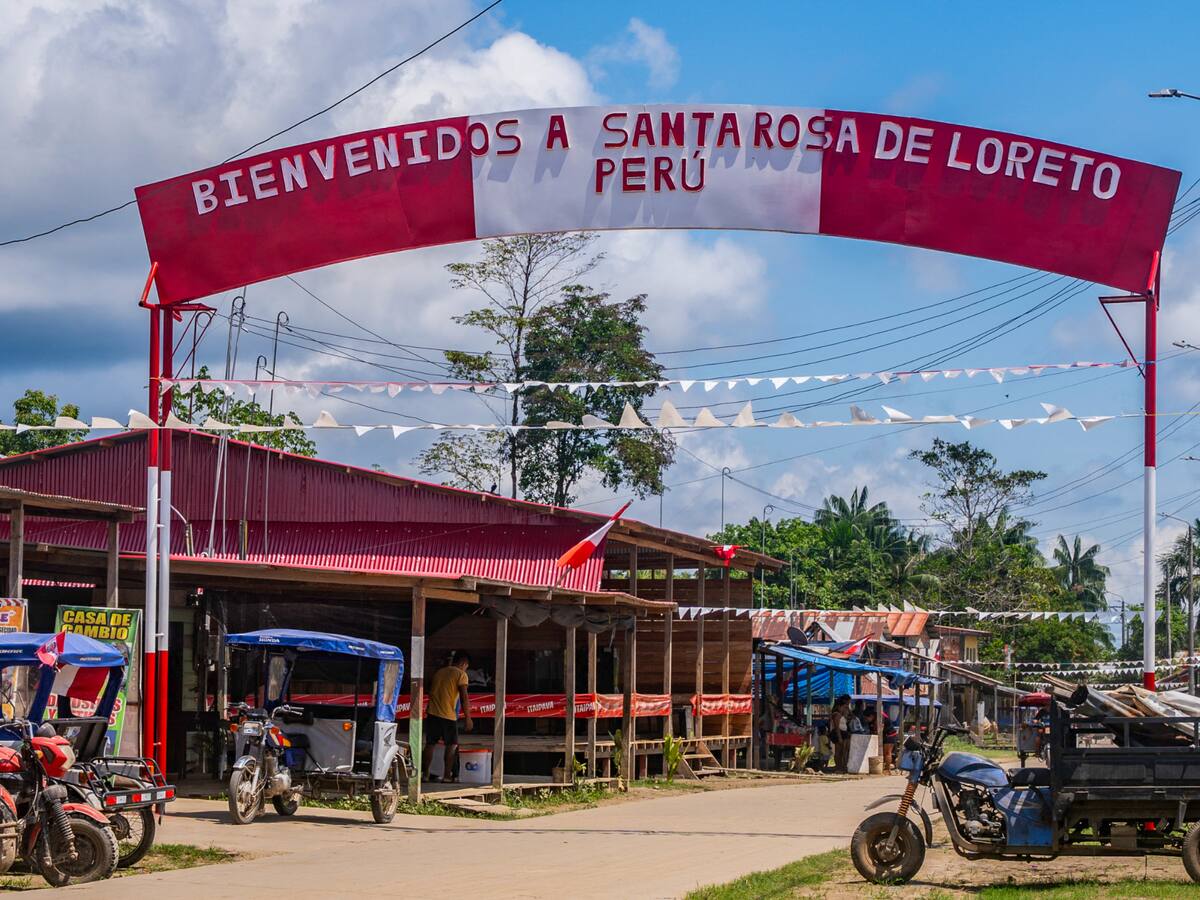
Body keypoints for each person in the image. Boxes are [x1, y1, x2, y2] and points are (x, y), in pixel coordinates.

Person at [422, 651, 473, 783]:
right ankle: (447, 776)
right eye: (466, 666)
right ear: (463, 664)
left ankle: (425, 774)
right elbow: (464, 697)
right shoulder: (461, 674)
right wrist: (468, 717)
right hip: (448, 715)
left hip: (432, 712)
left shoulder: (439, 672)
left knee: (430, 744)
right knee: (451, 745)